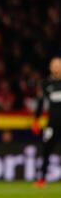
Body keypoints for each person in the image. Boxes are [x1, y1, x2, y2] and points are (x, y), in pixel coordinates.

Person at [32, 56, 61, 188]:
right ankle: (42, 178)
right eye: (54, 65)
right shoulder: (46, 84)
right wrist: (36, 120)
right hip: (52, 123)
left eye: (58, 64)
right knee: (46, 149)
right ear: (50, 67)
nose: (56, 67)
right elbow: (40, 103)